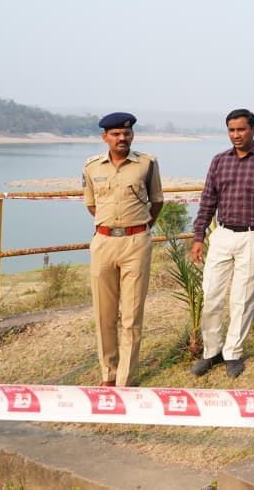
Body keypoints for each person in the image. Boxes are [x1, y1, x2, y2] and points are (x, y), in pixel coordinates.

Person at [190, 109, 254, 379]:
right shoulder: (219, 161)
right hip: (222, 234)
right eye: (232, 130)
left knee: (243, 299)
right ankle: (211, 351)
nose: (236, 135)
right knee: (211, 295)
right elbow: (208, 200)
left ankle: (233, 352)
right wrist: (199, 236)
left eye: (241, 129)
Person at [81, 112, 164, 387]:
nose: (122, 138)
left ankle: (125, 379)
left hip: (136, 243)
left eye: (126, 133)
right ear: (105, 137)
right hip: (103, 242)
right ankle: (109, 373)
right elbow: (91, 204)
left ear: (132, 135)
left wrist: (138, 228)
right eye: (115, 134)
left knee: (131, 315)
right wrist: (110, 229)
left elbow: (157, 202)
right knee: (104, 314)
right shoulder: (92, 167)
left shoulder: (147, 164)